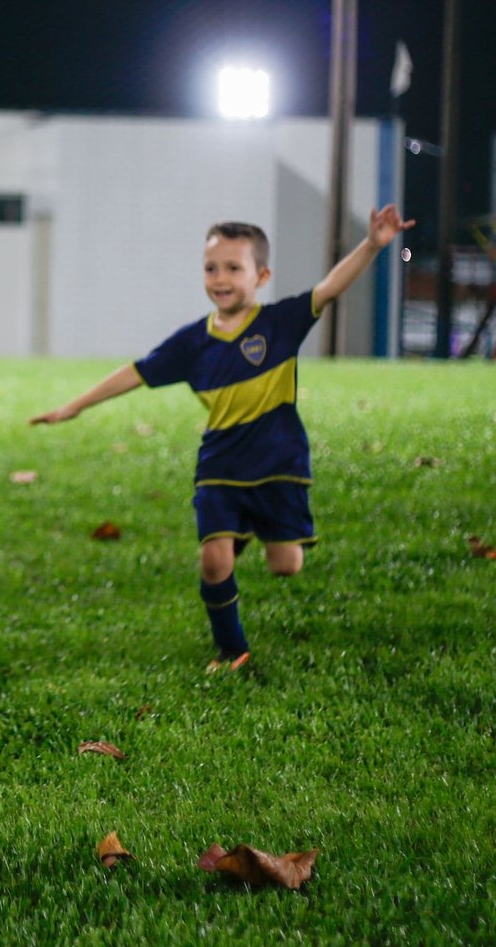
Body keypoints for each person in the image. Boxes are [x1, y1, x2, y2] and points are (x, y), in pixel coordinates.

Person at [29, 208, 412, 670]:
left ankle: (247, 528)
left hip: (279, 463)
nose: (220, 278)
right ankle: (232, 650)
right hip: (220, 465)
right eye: (211, 268)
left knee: (286, 565)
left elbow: (330, 287)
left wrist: (372, 244)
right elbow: (135, 373)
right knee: (214, 562)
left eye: (233, 267)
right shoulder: (192, 342)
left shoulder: (280, 322)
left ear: (262, 275)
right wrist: (73, 407)